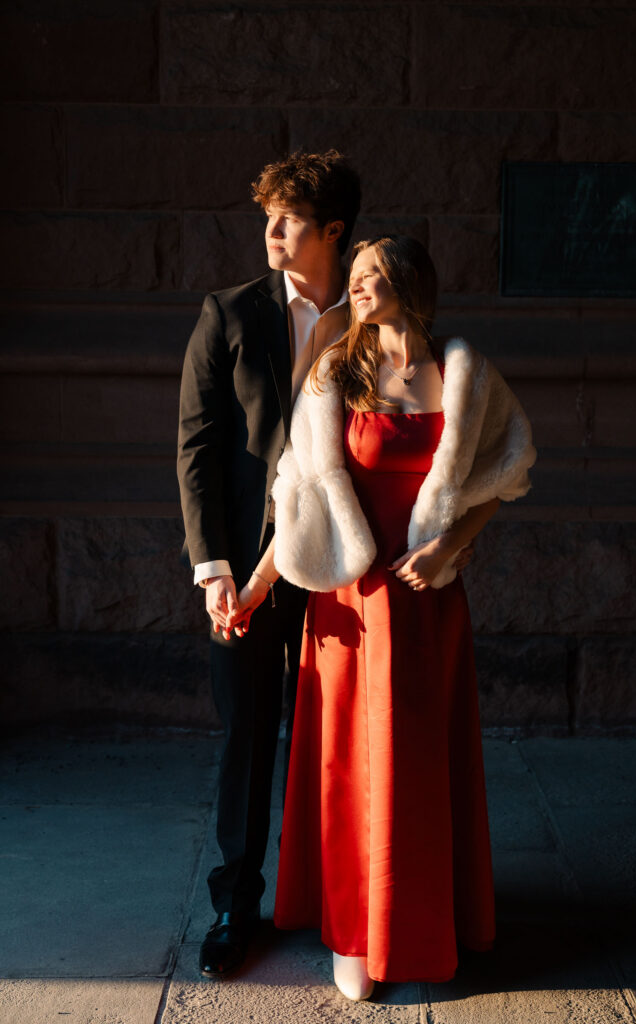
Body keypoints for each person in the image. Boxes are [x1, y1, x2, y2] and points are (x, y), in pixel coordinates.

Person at [227, 235, 536, 999]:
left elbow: (507, 477)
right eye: (355, 276)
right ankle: (354, 930)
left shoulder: (462, 373)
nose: (356, 289)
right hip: (350, 607)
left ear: (408, 283)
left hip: (427, 603)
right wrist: (260, 586)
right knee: (350, 767)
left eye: (370, 277)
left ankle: (416, 924)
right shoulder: (336, 371)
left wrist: (447, 552)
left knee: (419, 768)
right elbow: (295, 495)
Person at [176, 149, 362, 978]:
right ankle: (234, 903)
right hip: (245, 569)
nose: (271, 231)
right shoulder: (228, 313)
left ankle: (340, 898)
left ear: (333, 231)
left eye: (288, 218)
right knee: (246, 733)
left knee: (341, 737)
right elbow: (199, 447)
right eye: (267, 216)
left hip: (341, 566)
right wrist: (213, 566)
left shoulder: (370, 317)